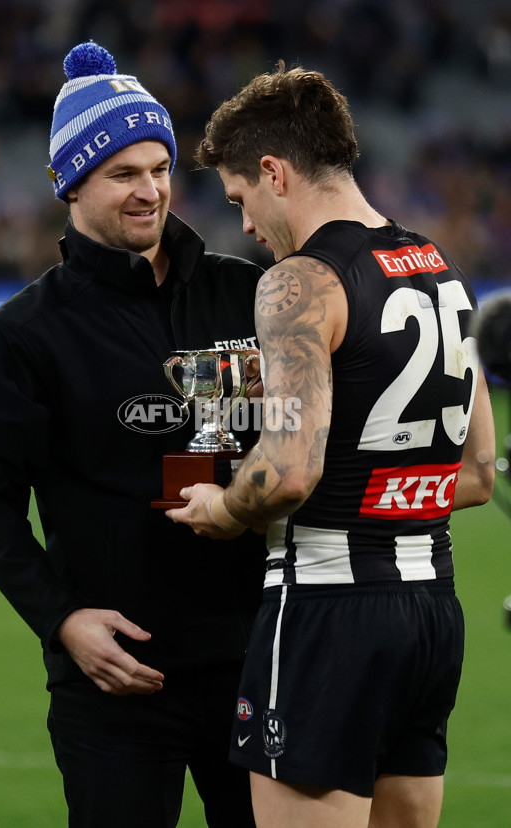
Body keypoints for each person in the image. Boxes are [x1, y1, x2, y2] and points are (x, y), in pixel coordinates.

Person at [0, 41, 267, 828]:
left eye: (159, 168)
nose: (151, 190)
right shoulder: (21, 336)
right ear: (70, 183)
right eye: (124, 173)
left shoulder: (251, 293)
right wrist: (62, 619)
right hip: (115, 676)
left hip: (258, 659)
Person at [167, 61, 496, 828]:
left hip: (325, 616)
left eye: (243, 198)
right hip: (430, 614)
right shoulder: (442, 270)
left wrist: (221, 506)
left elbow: (285, 474)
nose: (245, 225)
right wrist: (382, 491)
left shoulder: (299, 283)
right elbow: (478, 471)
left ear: (275, 172)